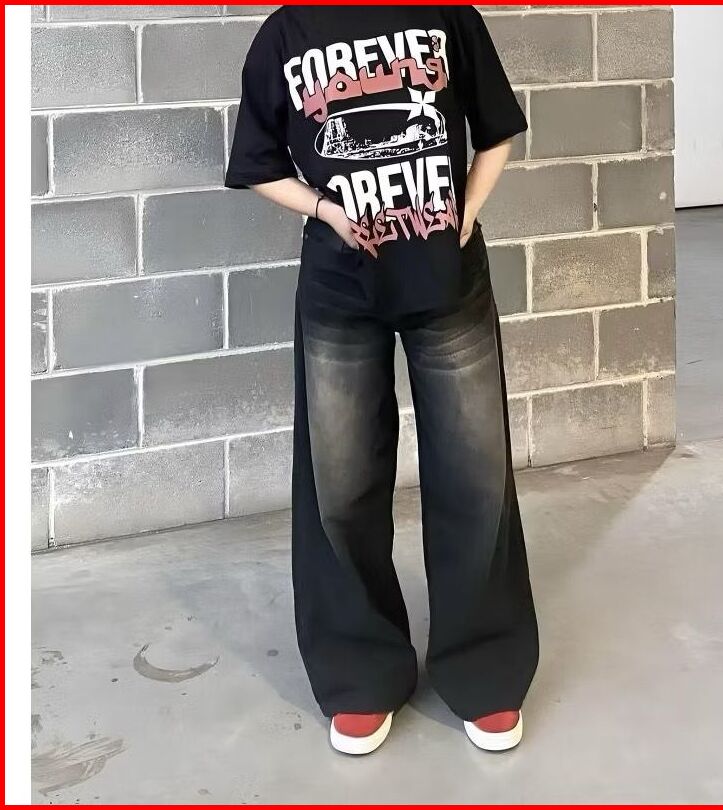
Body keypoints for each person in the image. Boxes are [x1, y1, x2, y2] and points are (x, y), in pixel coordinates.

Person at [225, 5, 539, 755]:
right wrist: (325, 210)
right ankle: (359, 670)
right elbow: (258, 161)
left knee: (474, 475)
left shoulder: (447, 16)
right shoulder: (286, 33)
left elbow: (497, 128)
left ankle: (484, 667)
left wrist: (470, 208)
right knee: (340, 482)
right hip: (341, 283)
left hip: (447, 279)